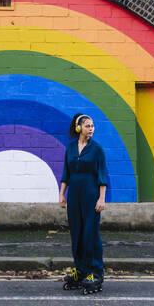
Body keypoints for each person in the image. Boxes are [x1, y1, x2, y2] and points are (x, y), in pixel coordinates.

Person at [59, 113, 107, 294]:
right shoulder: (70, 148)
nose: (91, 128)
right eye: (88, 126)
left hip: (91, 194)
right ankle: (80, 270)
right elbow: (66, 173)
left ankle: (95, 273)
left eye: (92, 125)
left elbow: (102, 175)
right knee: (77, 233)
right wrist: (61, 194)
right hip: (74, 195)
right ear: (79, 128)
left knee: (90, 233)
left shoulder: (97, 149)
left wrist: (101, 198)